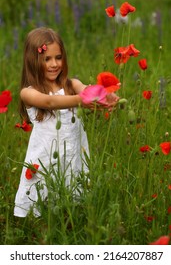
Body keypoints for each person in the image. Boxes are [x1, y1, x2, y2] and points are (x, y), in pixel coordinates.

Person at [14, 27, 118, 217]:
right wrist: (83, 100)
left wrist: (103, 96)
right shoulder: (28, 92)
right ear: (33, 61)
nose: (54, 64)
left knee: (71, 195)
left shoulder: (72, 84)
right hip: (46, 158)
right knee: (45, 199)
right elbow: (50, 102)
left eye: (58, 57)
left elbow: (86, 89)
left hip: (72, 153)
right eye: (47, 59)